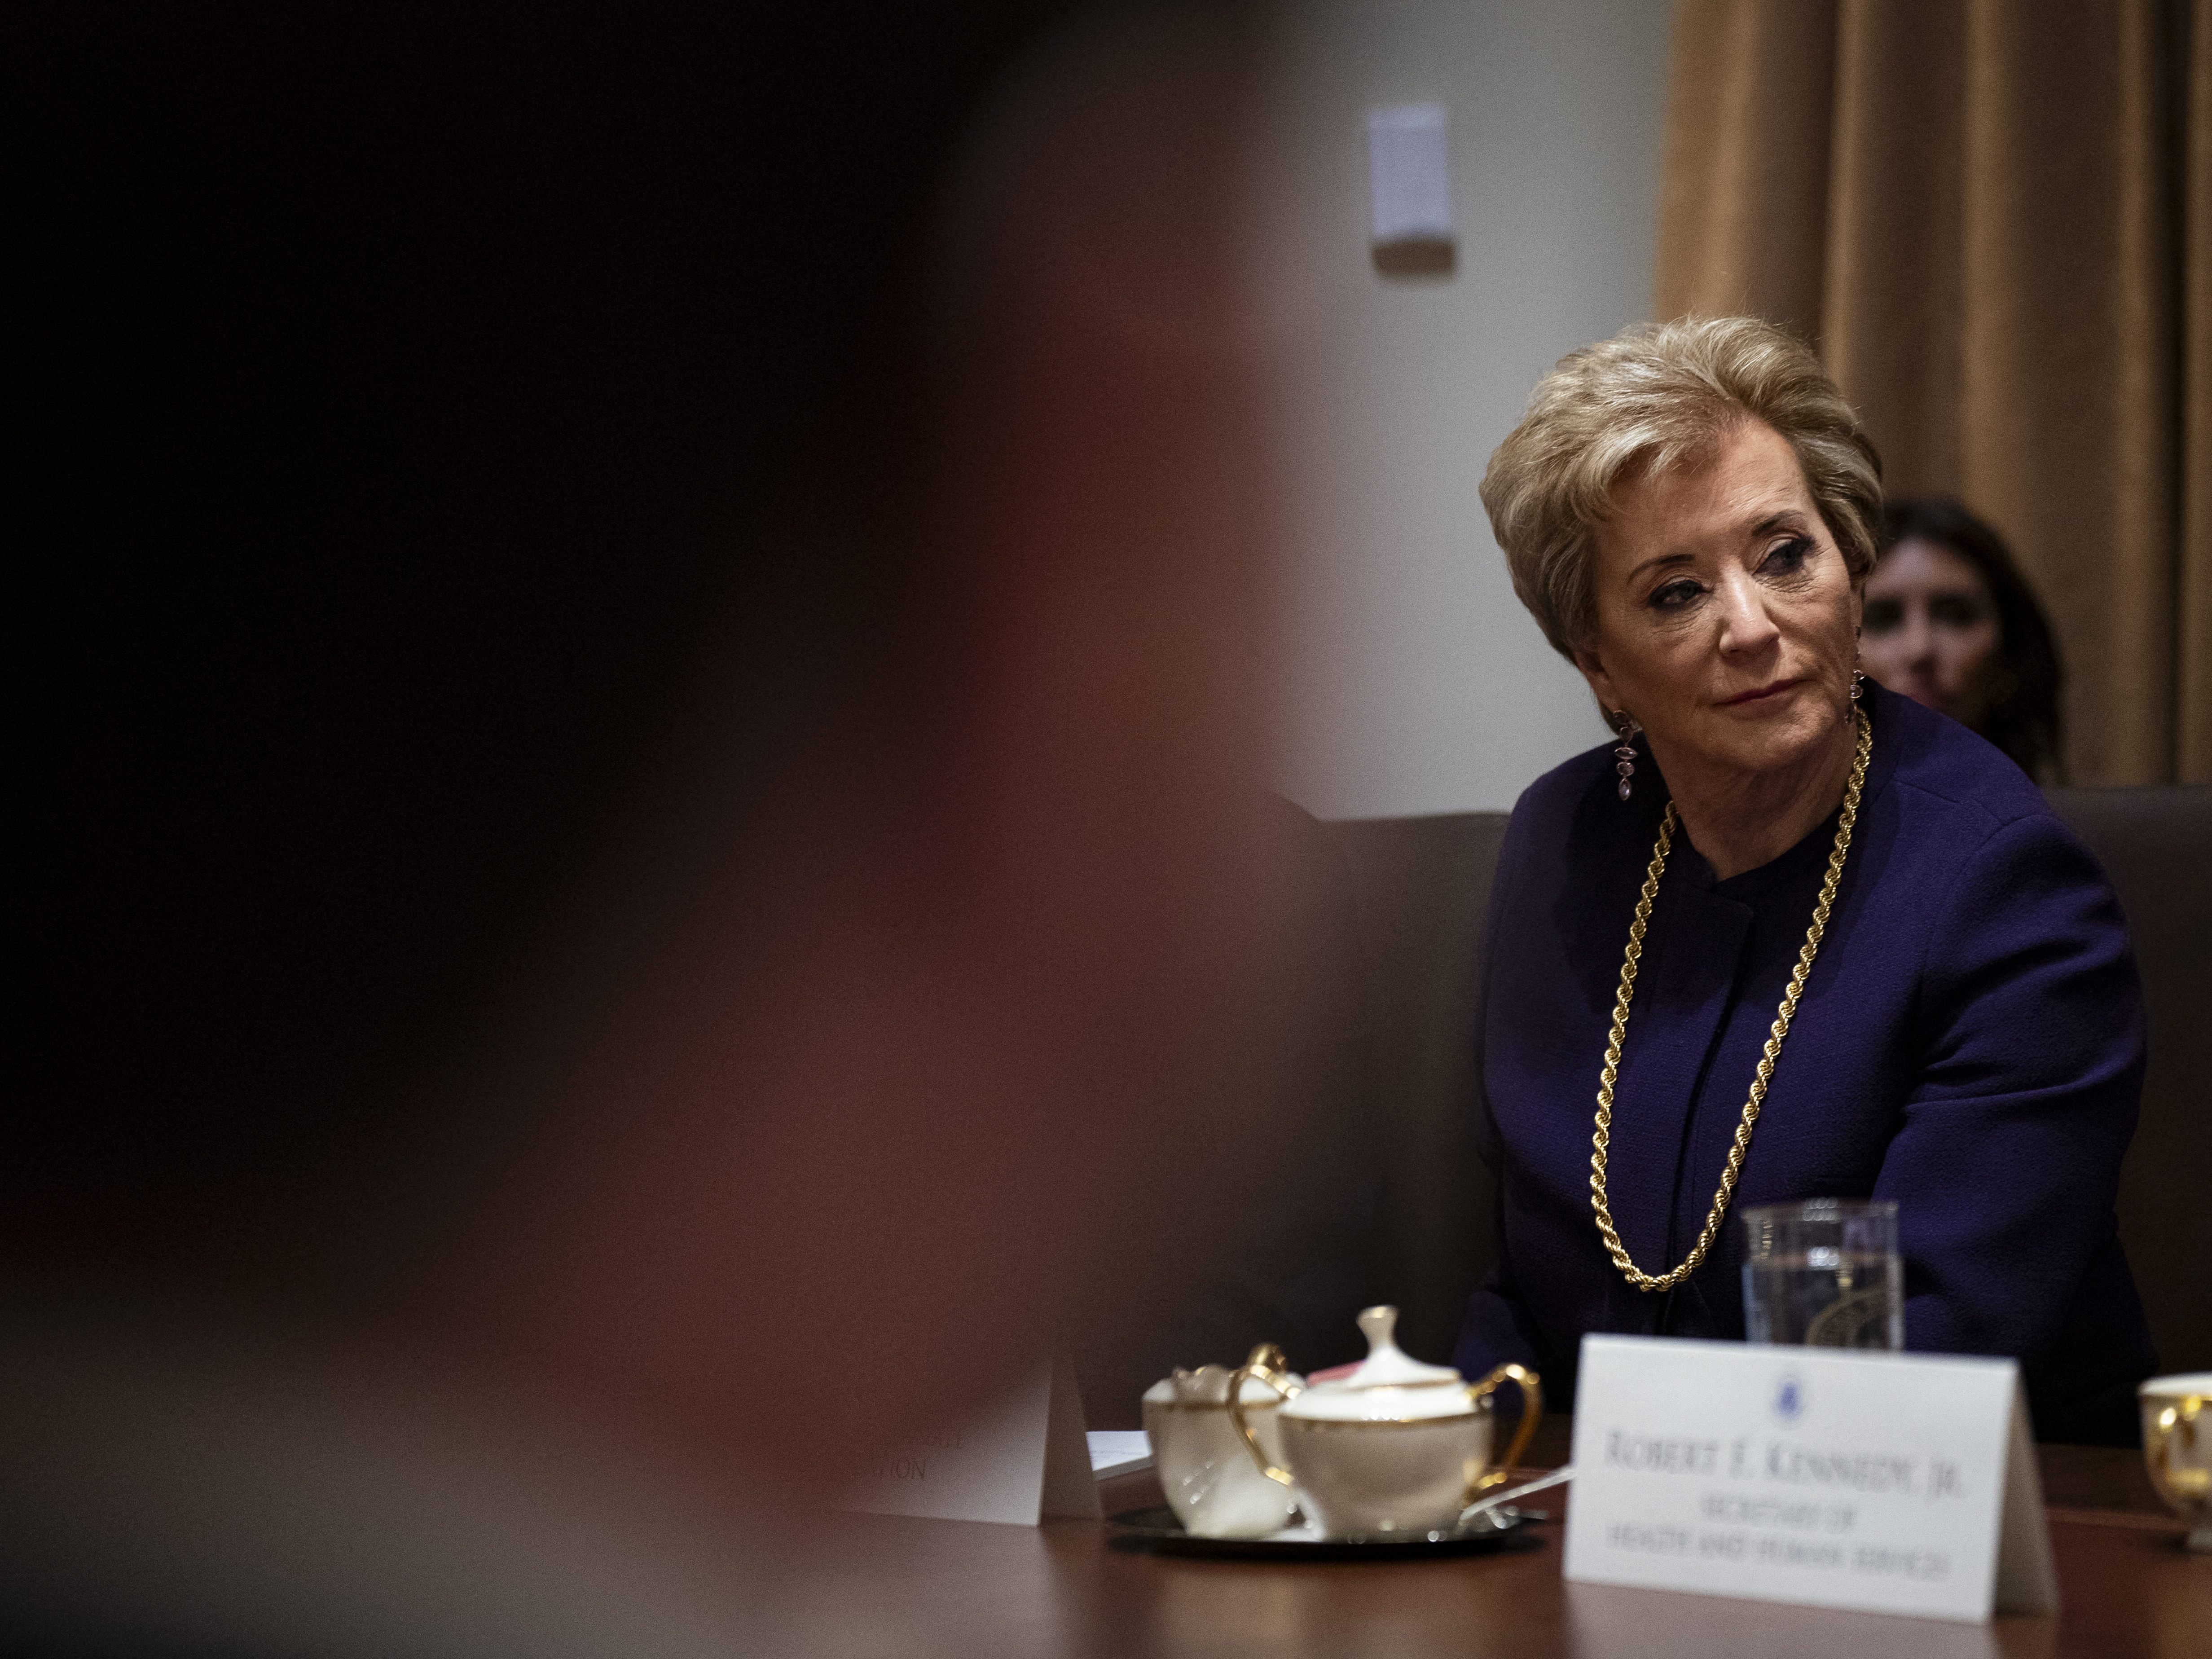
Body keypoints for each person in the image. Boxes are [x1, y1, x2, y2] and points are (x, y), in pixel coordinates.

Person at [1455, 316, 2155, 1445]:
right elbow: (1531, 1290)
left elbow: (1934, 1340)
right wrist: (1417, 1465)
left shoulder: (2002, 883)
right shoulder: (1562, 843)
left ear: (1847, 565)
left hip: (1976, 1531)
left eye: (1784, 554)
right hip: (1596, 1529)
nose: (1751, 624)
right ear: (1595, 662)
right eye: (1674, 591)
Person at [1860, 496, 2065, 784]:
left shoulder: (2053, 826)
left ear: (2009, 650)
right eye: (1882, 619)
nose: (1920, 650)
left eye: (1956, 616)